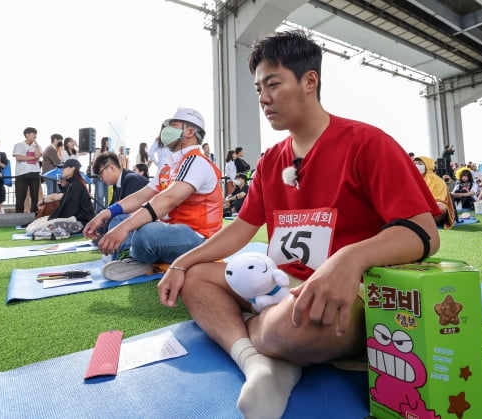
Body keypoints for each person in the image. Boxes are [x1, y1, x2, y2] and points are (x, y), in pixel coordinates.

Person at [156, 31, 440, 419]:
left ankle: (264, 341)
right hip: (279, 283)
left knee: (285, 331)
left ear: (310, 81)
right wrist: (180, 263)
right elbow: (241, 228)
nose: (263, 99)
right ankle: (258, 363)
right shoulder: (271, 160)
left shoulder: (368, 143)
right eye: (258, 88)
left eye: (273, 84)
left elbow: (424, 232)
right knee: (197, 278)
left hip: (348, 294)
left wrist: (349, 259)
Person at [82, 107, 223, 281]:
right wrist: (107, 213)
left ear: (190, 131)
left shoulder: (196, 162)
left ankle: (137, 256)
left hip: (198, 237)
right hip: (171, 231)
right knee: (119, 218)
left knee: (147, 234)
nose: (166, 131)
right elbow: (141, 196)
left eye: (174, 125)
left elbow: (168, 199)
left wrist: (125, 228)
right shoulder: (169, 166)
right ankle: (130, 258)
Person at [414, 156, 454, 229]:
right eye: (414, 163)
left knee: (440, 207)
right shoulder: (411, 178)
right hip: (415, 206)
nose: (416, 165)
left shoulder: (437, 181)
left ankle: (423, 224)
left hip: (431, 206)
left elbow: (439, 199)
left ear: (428, 165)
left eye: (420, 164)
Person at [13, 127, 43, 213]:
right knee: (20, 197)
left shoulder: (37, 146)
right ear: (27, 135)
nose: (35, 136)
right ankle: (19, 216)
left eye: (35, 134)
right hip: (22, 173)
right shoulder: (19, 145)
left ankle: (34, 215)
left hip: (34, 172)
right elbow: (19, 157)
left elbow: (38, 156)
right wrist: (33, 157)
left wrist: (36, 146)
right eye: (33, 134)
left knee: (35, 196)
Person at [91, 137, 110, 212]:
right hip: (99, 177)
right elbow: (94, 164)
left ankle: (107, 212)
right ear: (104, 142)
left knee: (108, 196)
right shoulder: (98, 151)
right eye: (108, 141)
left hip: (109, 177)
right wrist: (98, 175)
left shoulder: (111, 152)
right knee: (100, 196)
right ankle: (99, 213)